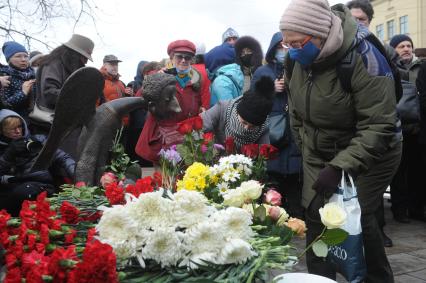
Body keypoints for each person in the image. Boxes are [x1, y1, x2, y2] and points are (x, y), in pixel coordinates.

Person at [280, 1, 401, 282]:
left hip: (374, 150)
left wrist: (339, 167)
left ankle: (376, 278)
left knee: (355, 217)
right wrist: (309, 151)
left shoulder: (363, 55)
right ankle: (322, 279)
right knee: (315, 215)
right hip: (319, 149)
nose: (293, 50)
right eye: (288, 44)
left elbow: (379, 125)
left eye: (298, 42)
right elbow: (296, 113)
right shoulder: (295, 59)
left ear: (320, 35)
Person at [347, 0, 396, 247]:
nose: (356, 24)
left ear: (369, 22)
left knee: (368, 199)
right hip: (353, 136)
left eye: (361, 20)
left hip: (379, 134)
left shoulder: (378, 51)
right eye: (352, 19)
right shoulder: (345, 52)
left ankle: (378, 235)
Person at [251, 32, 303, 218]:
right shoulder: (262, 72)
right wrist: (271, 89)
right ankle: (274, 217)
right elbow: (252, 101)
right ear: (273, 48)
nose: (283, 50)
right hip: (271, 130)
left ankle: (297, 217)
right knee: (273, 177)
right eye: (280, 46)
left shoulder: (299, 67)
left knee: (296, 177)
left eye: (287, 46)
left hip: (295, 129)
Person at [135, 40, 204, 163]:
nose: (183, 60)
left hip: (185, 140)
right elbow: (140, 98)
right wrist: (156, 81)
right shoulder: (159, 75)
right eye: (179, 57)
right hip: (161, 140)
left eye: (187, 57)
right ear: (171, 57)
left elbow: (197, 105)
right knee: (164, 177)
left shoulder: (195, 81)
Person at [0, 109, 75, 216]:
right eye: (12, 129)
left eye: (19, 126)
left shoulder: (38, 140)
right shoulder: (3, 150)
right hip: (11, 187)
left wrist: (77, 174)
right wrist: (8, 155)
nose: (17, 131)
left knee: (22, 193)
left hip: (40, 185)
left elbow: (63, 157)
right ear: (2, 131)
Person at [31, 34, 94, 158]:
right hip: (52, 123)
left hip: (68, 124)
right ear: (74, 53)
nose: (85, 61)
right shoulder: (53, 64)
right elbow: (49, 93)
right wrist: (80, 97)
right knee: (60, 163)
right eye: (84, 57)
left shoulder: (71, 66)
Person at [389, 34, 426, 222]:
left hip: (418, 129)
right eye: (401, 46)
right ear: (393, 49)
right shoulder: (390, 67)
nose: (406, 49)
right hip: (397, 128)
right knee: (398, 172)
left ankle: (416, 208)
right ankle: (399, 209)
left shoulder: (421, 66)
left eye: (408, 45)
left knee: (417, 171)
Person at [201, 76, 274, 150]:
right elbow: (197, 129)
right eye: (244, 122)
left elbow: (263, 154)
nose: (246, 128)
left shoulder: (263, 128)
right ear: (237, 111)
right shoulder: (222, 109)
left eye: (252, 126)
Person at [0, 42, 36, 118]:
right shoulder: (4, 77)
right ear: (9, 60)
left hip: (38, 122)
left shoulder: (34, 75)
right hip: (16, 123)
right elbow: (5, 106)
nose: (23, 59)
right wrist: (23, 93)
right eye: (18, 56)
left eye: (26, 56)